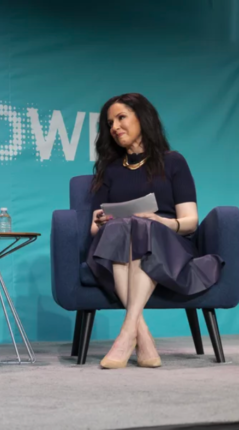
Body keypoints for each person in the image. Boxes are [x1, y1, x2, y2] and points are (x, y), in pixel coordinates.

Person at [87, 93, 223, 369]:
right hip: (116, 247)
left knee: (142, 227)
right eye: (110, 123)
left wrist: (163, 222)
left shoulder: (173, 162)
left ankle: (127, 335)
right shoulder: (109, 170)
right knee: (123, 227)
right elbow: (93, 227)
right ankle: (142, 336)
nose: (114, 127)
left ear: (142, 118)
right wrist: (100, 222)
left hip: (169, 245)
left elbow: (190, 221)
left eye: (121, 117)